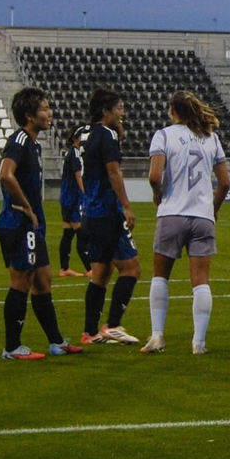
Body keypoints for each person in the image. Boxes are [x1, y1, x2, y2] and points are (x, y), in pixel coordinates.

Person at [0, 88, 80, 360]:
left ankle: (56, 342)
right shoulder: (19, 140)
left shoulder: (34, 143)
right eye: (44, 108)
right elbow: (6, 175)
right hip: (18, 222)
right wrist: (28, 207)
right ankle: (11, 348)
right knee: (22, 280)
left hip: (32, 223)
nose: (49, 113)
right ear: (30, 115)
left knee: (43, 280)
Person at [143, 91, 230, 355]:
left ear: (173, 110)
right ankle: (199, 343)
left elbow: (154, 175)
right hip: (202, 217)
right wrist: (212, 210)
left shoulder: (164, 135)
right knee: (201, 281)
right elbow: (225, 183)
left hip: (172, 213)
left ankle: (158, 336)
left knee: (161, 276)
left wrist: (158, 196)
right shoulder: (211, 137)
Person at [79, 88, 141, 345]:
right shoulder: (107, 134)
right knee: (131, 268)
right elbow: (113, 172)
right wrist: (126, 206)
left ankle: (90, 332)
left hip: (90, 212)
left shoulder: (85, 132)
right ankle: (112, 325)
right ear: (106, 111)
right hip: (107, 212)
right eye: (119, 107)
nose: (123, 111)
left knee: (100, 275)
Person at [57, 126, 88, 277]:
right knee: (81, 233)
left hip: (66, 198)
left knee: (68, 234)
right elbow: (78, 176)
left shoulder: (71, 152)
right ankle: (89, 268)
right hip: (72, 199)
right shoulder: (75, 153)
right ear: (77, 138)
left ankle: (64, 268)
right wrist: (86, 194)